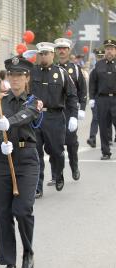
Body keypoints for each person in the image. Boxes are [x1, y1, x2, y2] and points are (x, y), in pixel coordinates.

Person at [0, 56, 42, 268]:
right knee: (3, 213)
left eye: (20, 75)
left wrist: (8, 123)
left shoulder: (34, 101)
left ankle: (28, 251)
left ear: (27, 77)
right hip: (3, 160)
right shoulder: (0, 102)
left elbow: (29, 115)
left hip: (27, 159)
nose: (16, 79)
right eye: (12, 74)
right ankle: (8, 260)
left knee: (22, 210)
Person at [30, 42, 78, 198]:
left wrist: (74, 116)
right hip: (35, 116)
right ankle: (37, 186)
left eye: (46, 53)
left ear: (52, 54)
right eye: (41, 53)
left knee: (56, 151)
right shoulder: (32, 72)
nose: (43, 56)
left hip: (54, 117)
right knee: (35, 153)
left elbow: (71, 95)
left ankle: (58, 173)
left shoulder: (62, 73)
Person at [53, 38, 87, 182]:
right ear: (56, 51)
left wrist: (82, 109)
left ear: (69, 51)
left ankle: (74, 167)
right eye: (59, 48)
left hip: (70, 110)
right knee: (54, 143)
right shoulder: (52, 69)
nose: (61, 51)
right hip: (54, 111)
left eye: (64, 48)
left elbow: (82, 90)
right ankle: (56, 174)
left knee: (72, 143)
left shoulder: (75, 69)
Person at [89, 39, 116, 160]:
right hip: (102, 99)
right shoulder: (99, 65)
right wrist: (92, 97)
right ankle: (106, 151)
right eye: (107, 49)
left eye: (111, 49)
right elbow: (93, 82)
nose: (109, 51)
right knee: (103, 127)